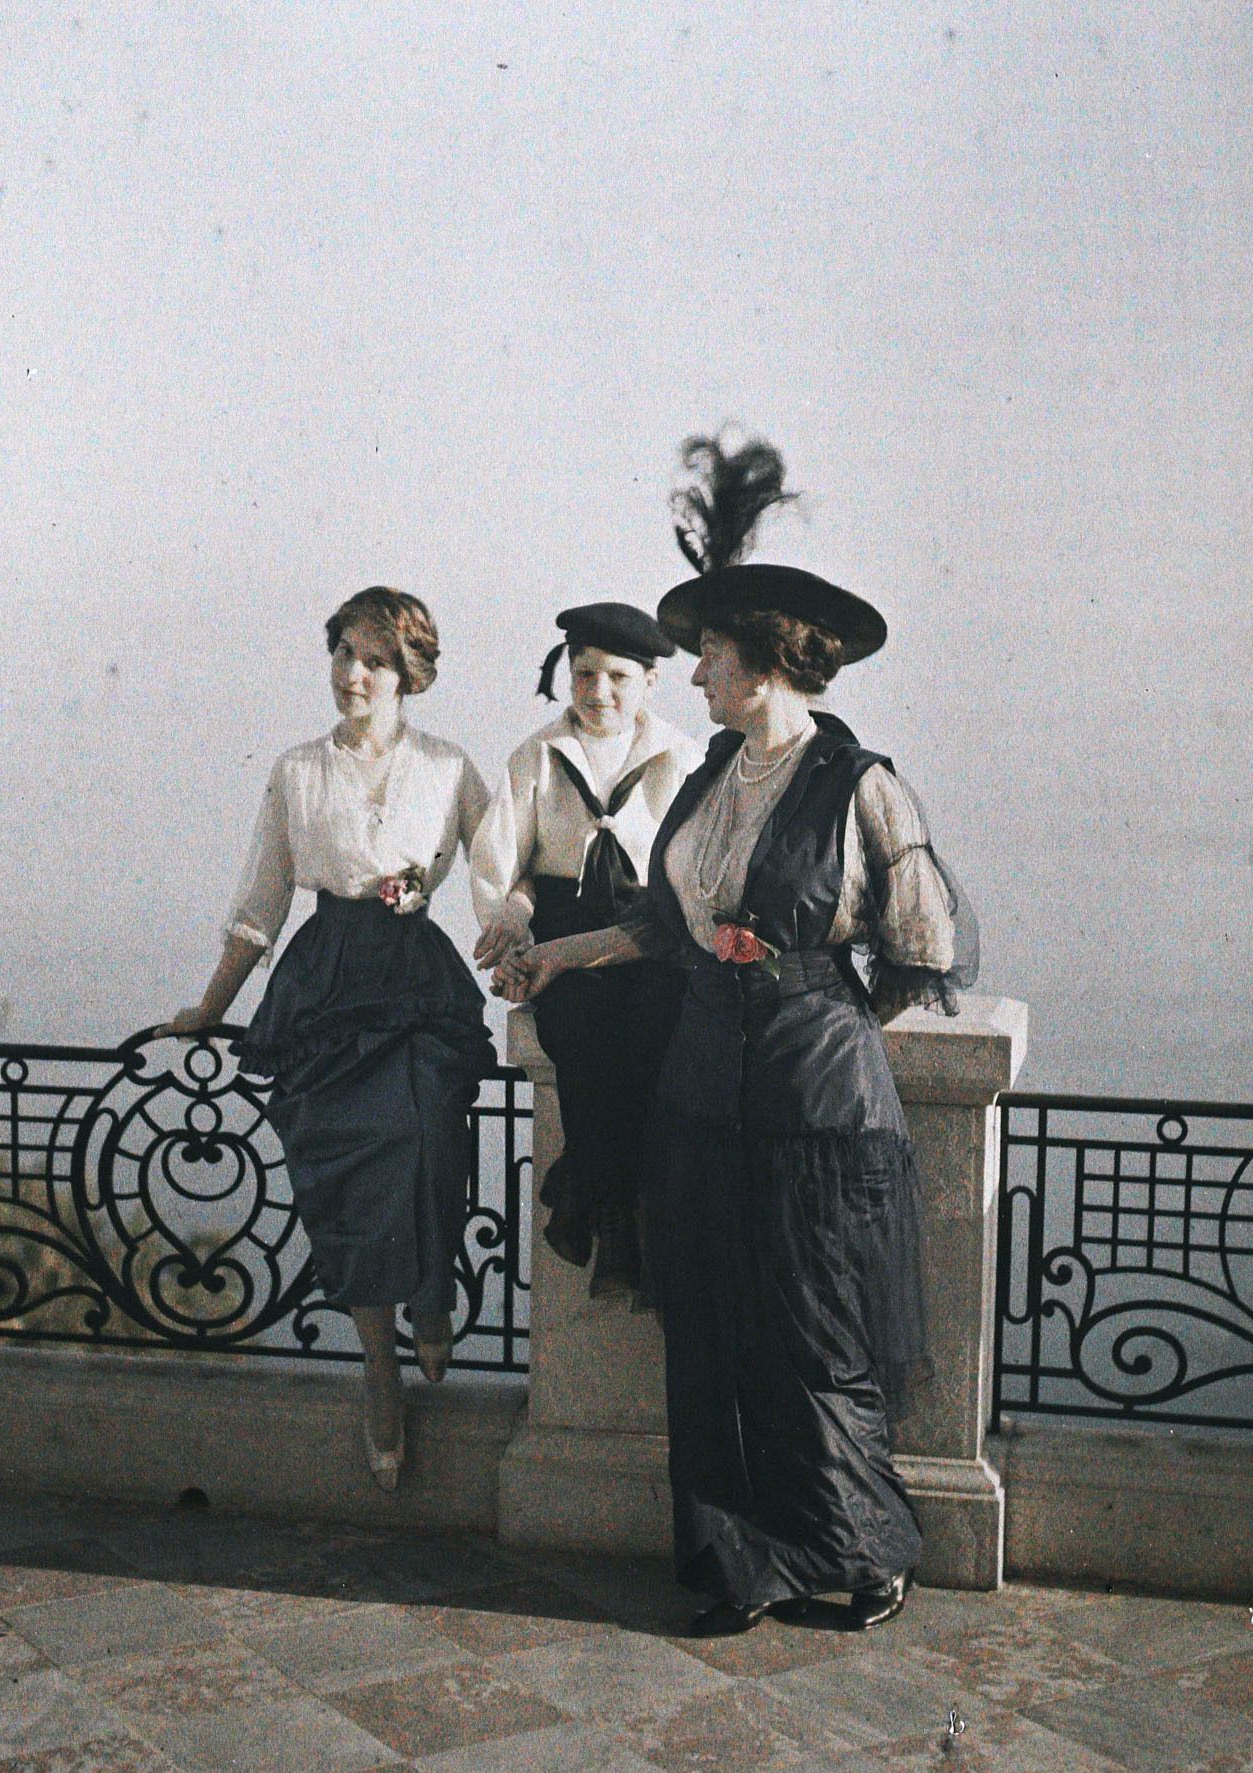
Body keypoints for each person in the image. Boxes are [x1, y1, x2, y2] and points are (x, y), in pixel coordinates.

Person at [498, 437, 977, 1636]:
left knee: (812, 1331)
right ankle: (737, 1565)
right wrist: (557, 953)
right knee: (705, 1333)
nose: (694, 672)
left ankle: (864, 1555)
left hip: (818, 1102)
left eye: (709, 654)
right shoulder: (713, 768)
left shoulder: (863, 783)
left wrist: (815, 1004)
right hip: (702, 1089)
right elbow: (663, 922)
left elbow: (922, 949)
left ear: (763, 662)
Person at [159, 586, 495, 1491]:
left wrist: (531, 962)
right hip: (324, 981)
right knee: (344, 1173)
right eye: (343, 652)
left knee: (426, 1130)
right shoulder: (296, 769)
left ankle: (430, 1294)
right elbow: (260, 901)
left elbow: (501, 881)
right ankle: (378, 1366)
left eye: (374, 658)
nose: (353, 673)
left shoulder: (450, 766)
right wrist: (210, 1004)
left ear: (407, 672)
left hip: (416, 982)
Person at [471, 603, 703, 1298]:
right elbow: (500, 863)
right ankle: (611, 1221)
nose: (597, 692)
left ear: (650, 682)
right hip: (563, 926)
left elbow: (691, 869)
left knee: (654, 1030)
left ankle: (593, 1199)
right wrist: (508, 922)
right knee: (576, 1032)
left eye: (616, 677)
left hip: (647, 934)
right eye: (583, 674)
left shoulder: (681, 757)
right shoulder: (536, 755)